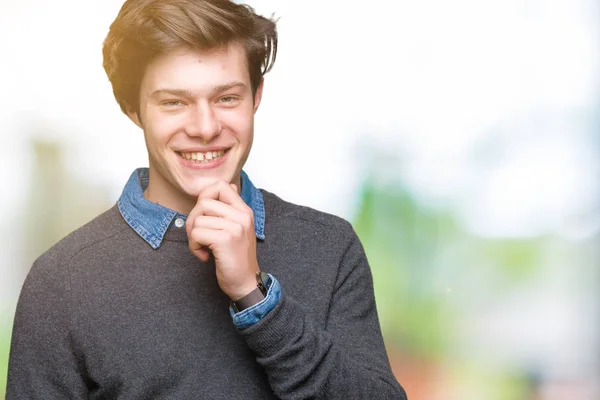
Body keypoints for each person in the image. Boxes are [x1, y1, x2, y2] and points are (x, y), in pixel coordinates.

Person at [6, 0, 407, 399]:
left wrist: (255, 297)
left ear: (256, 97)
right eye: (174, 102)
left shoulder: (329, 248)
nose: (204, 127)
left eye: (226, 98)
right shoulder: (61, 282)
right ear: (133, 108)